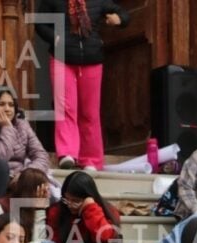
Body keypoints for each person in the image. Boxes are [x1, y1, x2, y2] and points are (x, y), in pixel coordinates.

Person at [34, 0, 130, 171]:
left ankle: (91, 160)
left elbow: (124, 14)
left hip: (92, 59)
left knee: (90, 112)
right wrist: (55, 38)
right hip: (62, 58)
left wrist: (119, 19)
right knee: (65, 108)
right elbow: (40, 23)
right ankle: (67, 154)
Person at [0, 85, 51, 204]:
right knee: (0, 165)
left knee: (44, 190)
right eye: (2, 104)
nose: (7, 109)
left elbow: (41, 154)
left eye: (11, 105)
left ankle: (27, 219)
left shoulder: (22, 124)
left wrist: (24, 175)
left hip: (19, 179)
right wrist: (7, 127)